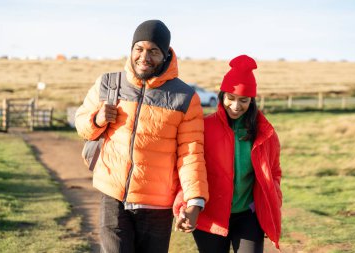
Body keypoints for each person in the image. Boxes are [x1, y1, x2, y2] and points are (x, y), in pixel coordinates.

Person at [75, 19, 209, 253]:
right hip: (113, 197)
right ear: (131, 50)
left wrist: (194, 201)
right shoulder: (108, 83)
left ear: (166, 54)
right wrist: (97, 119)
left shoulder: (186, 98)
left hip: (157, 206)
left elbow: (191, 154)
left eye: (153, 51)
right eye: (139, 48)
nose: (144, 57)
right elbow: (82, 126)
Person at [174, 55, 282, 253]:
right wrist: (185, 205)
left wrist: (270, 208)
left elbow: (274, 173)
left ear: (252, 100)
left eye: (243, 100)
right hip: (211, 216)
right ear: (222, 95)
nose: (235, 106)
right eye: (230, 98)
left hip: (248, 216)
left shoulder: (265, 133)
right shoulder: (204, 128)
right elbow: (190, 169)